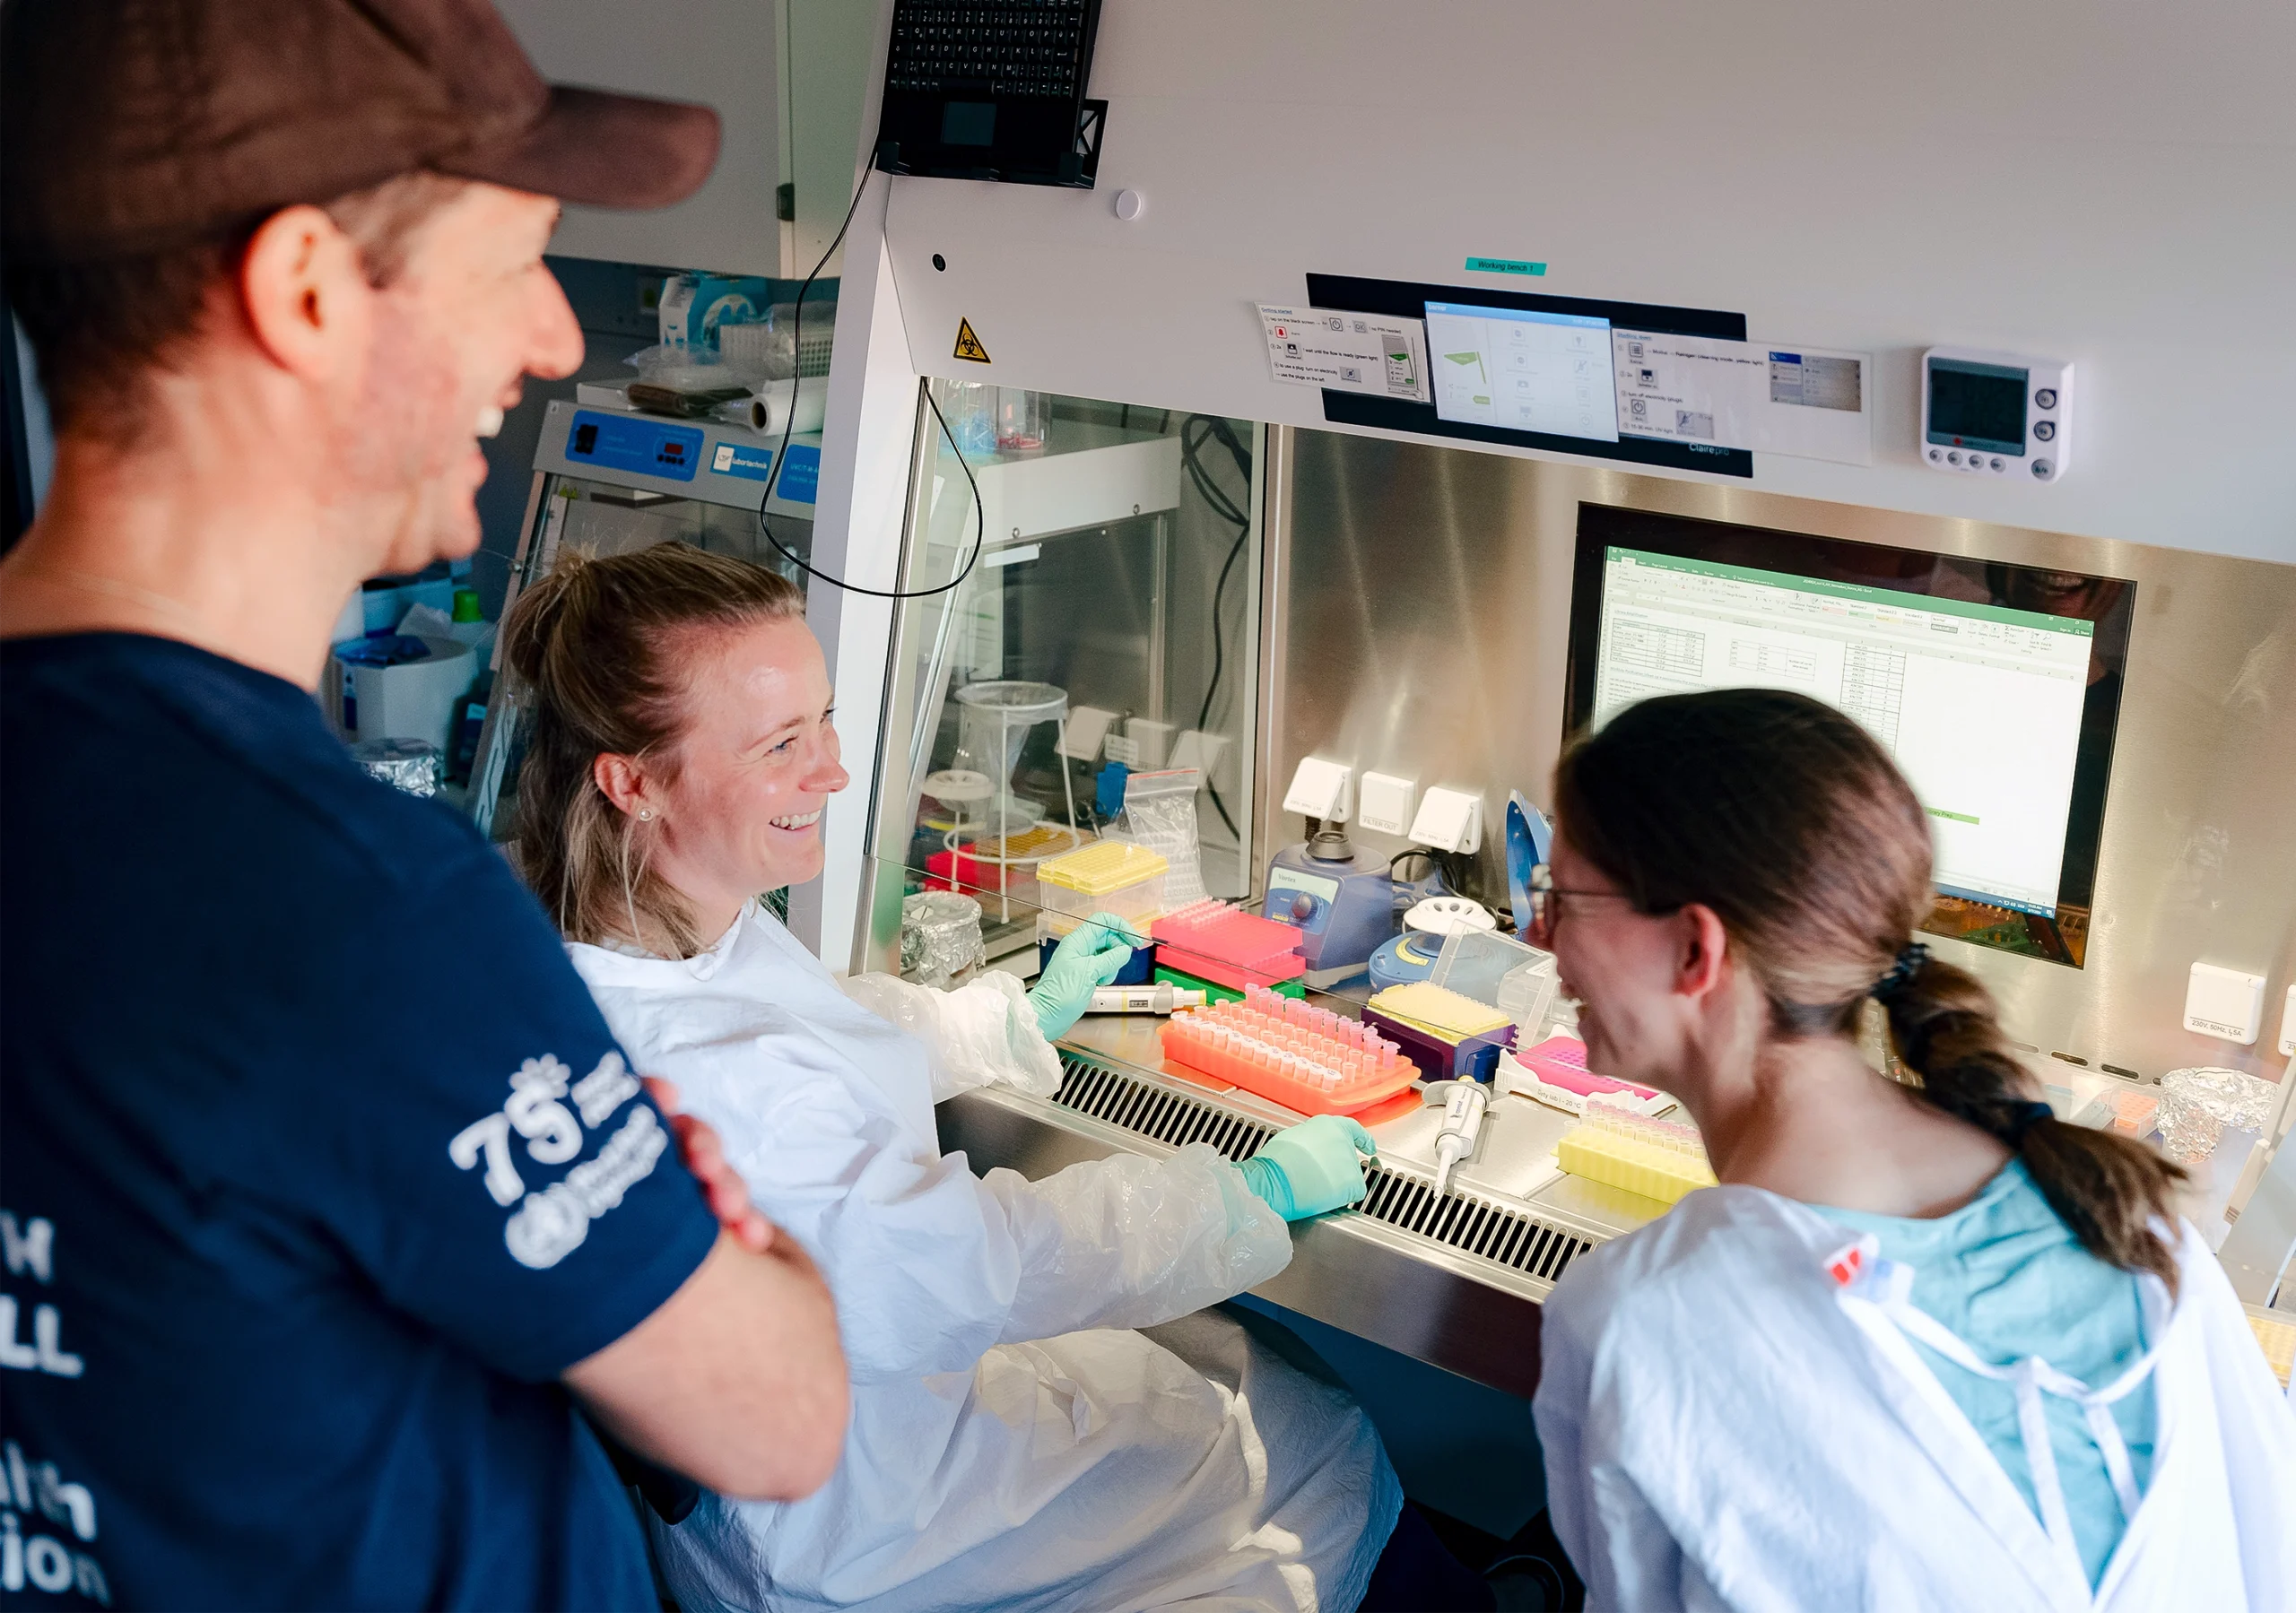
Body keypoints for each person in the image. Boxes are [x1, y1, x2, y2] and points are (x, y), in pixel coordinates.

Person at [0, 2, 848, 1609]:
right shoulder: (351, 904)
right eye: (511, 258)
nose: (551, 339)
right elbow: (779, 1412)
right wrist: (710, 1228)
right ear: (307, 289)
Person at [501, 541, 1506, 1613]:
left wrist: (1004, 1020)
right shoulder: (714, 1073)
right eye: (781, 742)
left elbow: (815, 1029)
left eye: (825, 718)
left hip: (795, 1475)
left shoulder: (617, 938)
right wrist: (1239, 1194)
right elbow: (976, 1261)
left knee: (1233, 1361)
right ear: (633, 780)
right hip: (870, 1523)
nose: (832, 768)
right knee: (1303, 1427)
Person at [1528, 688, 2296, 1611]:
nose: (1538, 931)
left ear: (1696, 947)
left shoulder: (1638, 1321)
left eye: (1562, 898)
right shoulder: (2125, 1216)